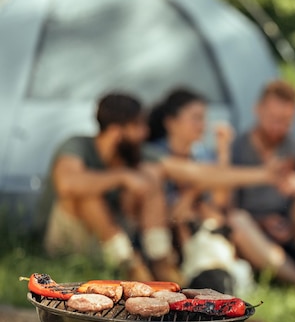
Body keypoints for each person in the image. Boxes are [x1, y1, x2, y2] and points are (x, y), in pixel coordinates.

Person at [41, 93, 180, 283]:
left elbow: (189, 171)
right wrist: (122, 177)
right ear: (116, 131)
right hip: (71, 241)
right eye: (138, 126)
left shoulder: (135, 154)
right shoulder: (78, 145)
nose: (145, 132)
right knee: (86, 193)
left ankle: (161, 263)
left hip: (112, 238)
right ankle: (129, 266)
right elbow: (67, 184)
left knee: (150, 180)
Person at [228, 80, 295, 296]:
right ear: (258, 110)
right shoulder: (237, 148)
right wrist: (262, 222)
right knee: (236, 221)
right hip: (254, 233)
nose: (278, 128)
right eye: (273, 120)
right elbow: (227, 207)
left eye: (286, 122)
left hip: (294, 231)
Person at [144, 87, 255, 294]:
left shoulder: (202, 154)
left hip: (198, 228)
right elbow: (167, 213)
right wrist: (198, 187)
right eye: (195, 118)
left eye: (203, 118)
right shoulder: (154, 155)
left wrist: (223, 153)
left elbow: (220, 202)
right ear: (171, 122)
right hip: (167, 234)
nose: (202, 125)